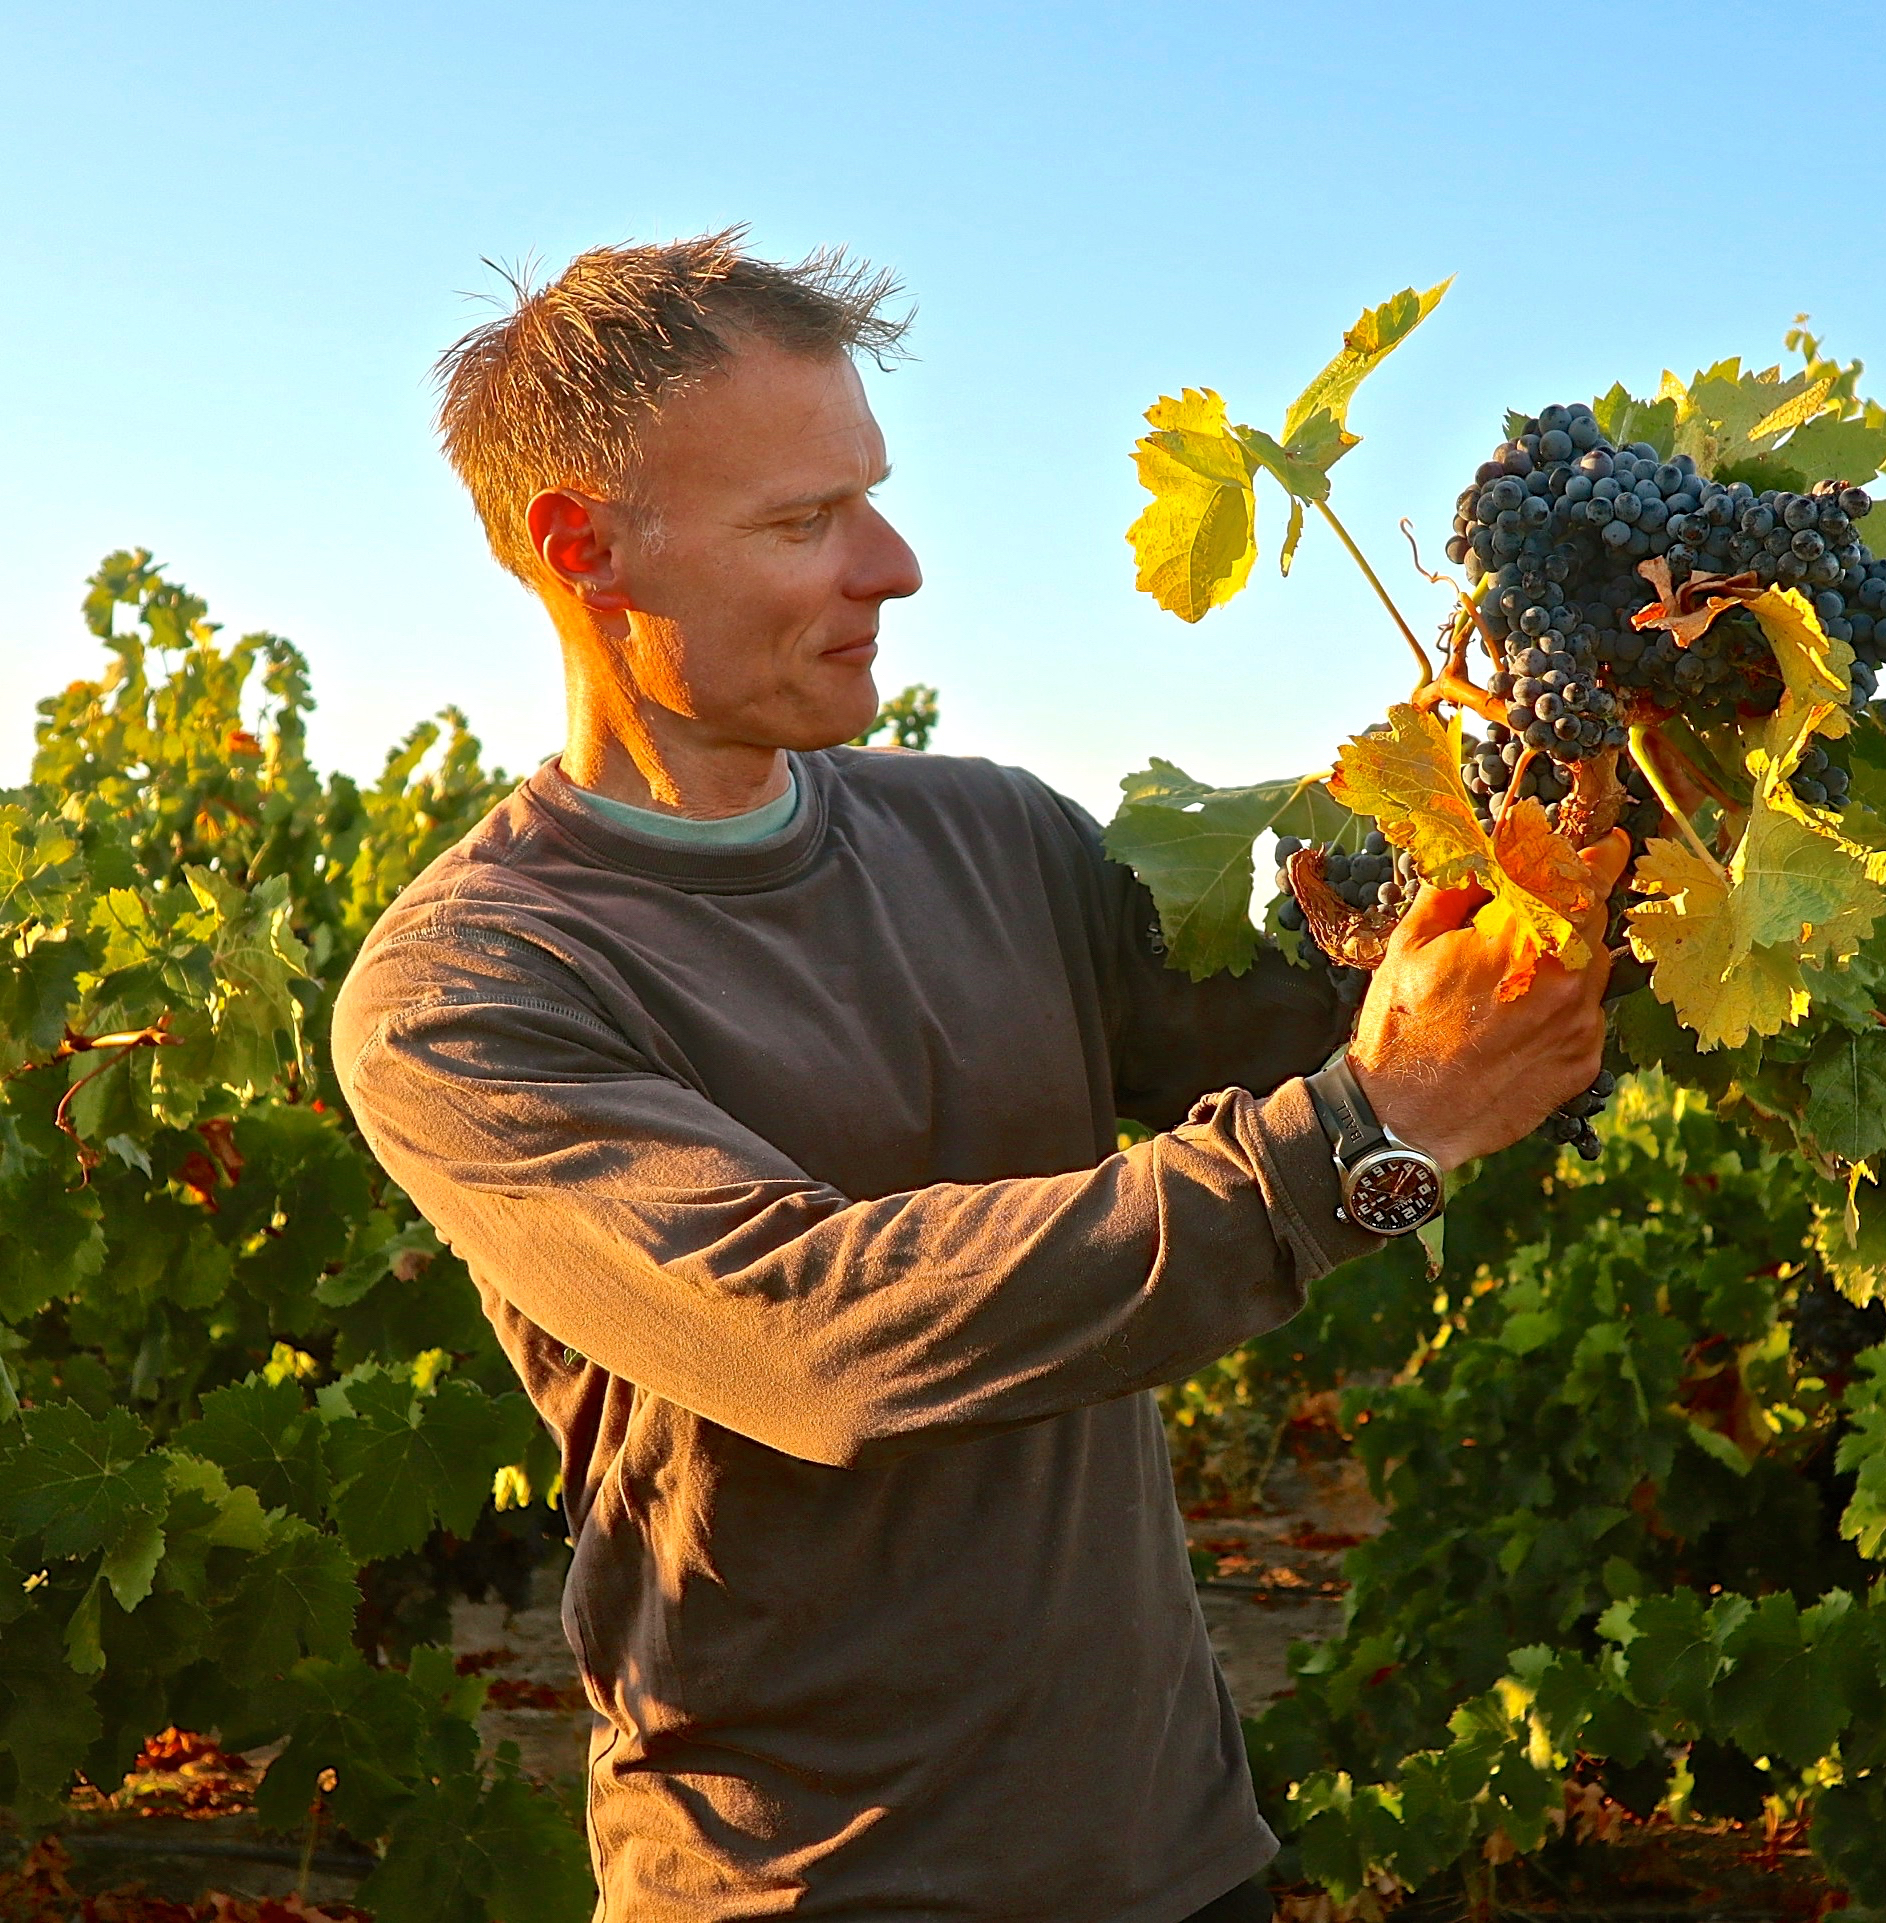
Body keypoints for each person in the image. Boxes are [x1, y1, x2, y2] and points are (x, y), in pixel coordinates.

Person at [331, 229, 1609, 1922]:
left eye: (871, 494)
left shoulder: (989, 827)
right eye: (803, 522)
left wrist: (1571, 811)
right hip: (816, 1886)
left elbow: (1307, 1020)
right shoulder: (469, 988)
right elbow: (808, 1332)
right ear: (587, 551)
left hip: (1170, 1846)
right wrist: (1363, 1141)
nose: (897, 564)